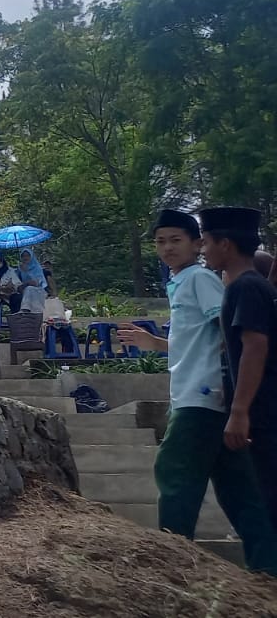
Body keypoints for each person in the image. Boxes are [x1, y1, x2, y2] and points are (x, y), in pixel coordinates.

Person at [117, 209, 277, 574]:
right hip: (213, 398)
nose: (168, 248)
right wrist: (157, 344)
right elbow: (201, 339)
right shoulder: (184, 281)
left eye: (177, 240)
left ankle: (171, 565)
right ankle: (268, 568)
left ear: (197, 244)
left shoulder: (199, 279)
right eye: (160, 241)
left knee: (174, 472)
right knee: (239, 489)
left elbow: (230, 333)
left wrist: (224, 385)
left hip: (200, 397)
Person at [199, 206, 277, 530]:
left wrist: (240, 410)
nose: (203, 250)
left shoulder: (245, 287)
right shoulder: (255, 286)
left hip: (265, 413)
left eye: (206, 242)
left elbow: (254, 346)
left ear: (225, 244)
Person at [18, 249, 48, 316]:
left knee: (29, 289)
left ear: (31, 256)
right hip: (24, 289)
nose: (25, 258)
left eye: (27, 256)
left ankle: (25, 309)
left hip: (38, 290)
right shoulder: (20, 268)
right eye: (23, 256)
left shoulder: (37, 267)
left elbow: (36, 283)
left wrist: (27, 271)